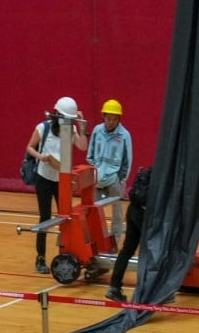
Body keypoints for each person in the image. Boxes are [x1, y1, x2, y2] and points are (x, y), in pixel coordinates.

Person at [24, 96, 89, 273]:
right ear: (56, 113)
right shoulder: (42, 127)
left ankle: (66, 253)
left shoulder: (71, 130)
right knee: (45, 218)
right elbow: (30, 147)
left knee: (66, 219)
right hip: (44, 178)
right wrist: (41, 158)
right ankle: (40, 258)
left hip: (62, 180)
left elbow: (83, 147)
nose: (66, 121)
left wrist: (82, 129)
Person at [87, 99, 133, 246]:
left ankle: (114, 242)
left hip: (114, 179)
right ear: (103, 117)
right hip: (97, 178)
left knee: (117, 213)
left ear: (119, 119)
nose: (111, 122)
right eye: (108, 118)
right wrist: (94, 171)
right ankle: (96, 239)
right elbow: (90, 153)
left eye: (114, 119)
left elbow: (127, 160)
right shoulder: (97, 131)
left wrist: (121, 179)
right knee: (93, 210)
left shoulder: (124, 135)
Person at [105, 167, 151, 302]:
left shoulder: (149, 172)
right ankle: (145, 292)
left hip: (133, 209)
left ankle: (114, 287)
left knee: (127, 250)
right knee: (149, 253)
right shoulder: (166, 176)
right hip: (144, 214)